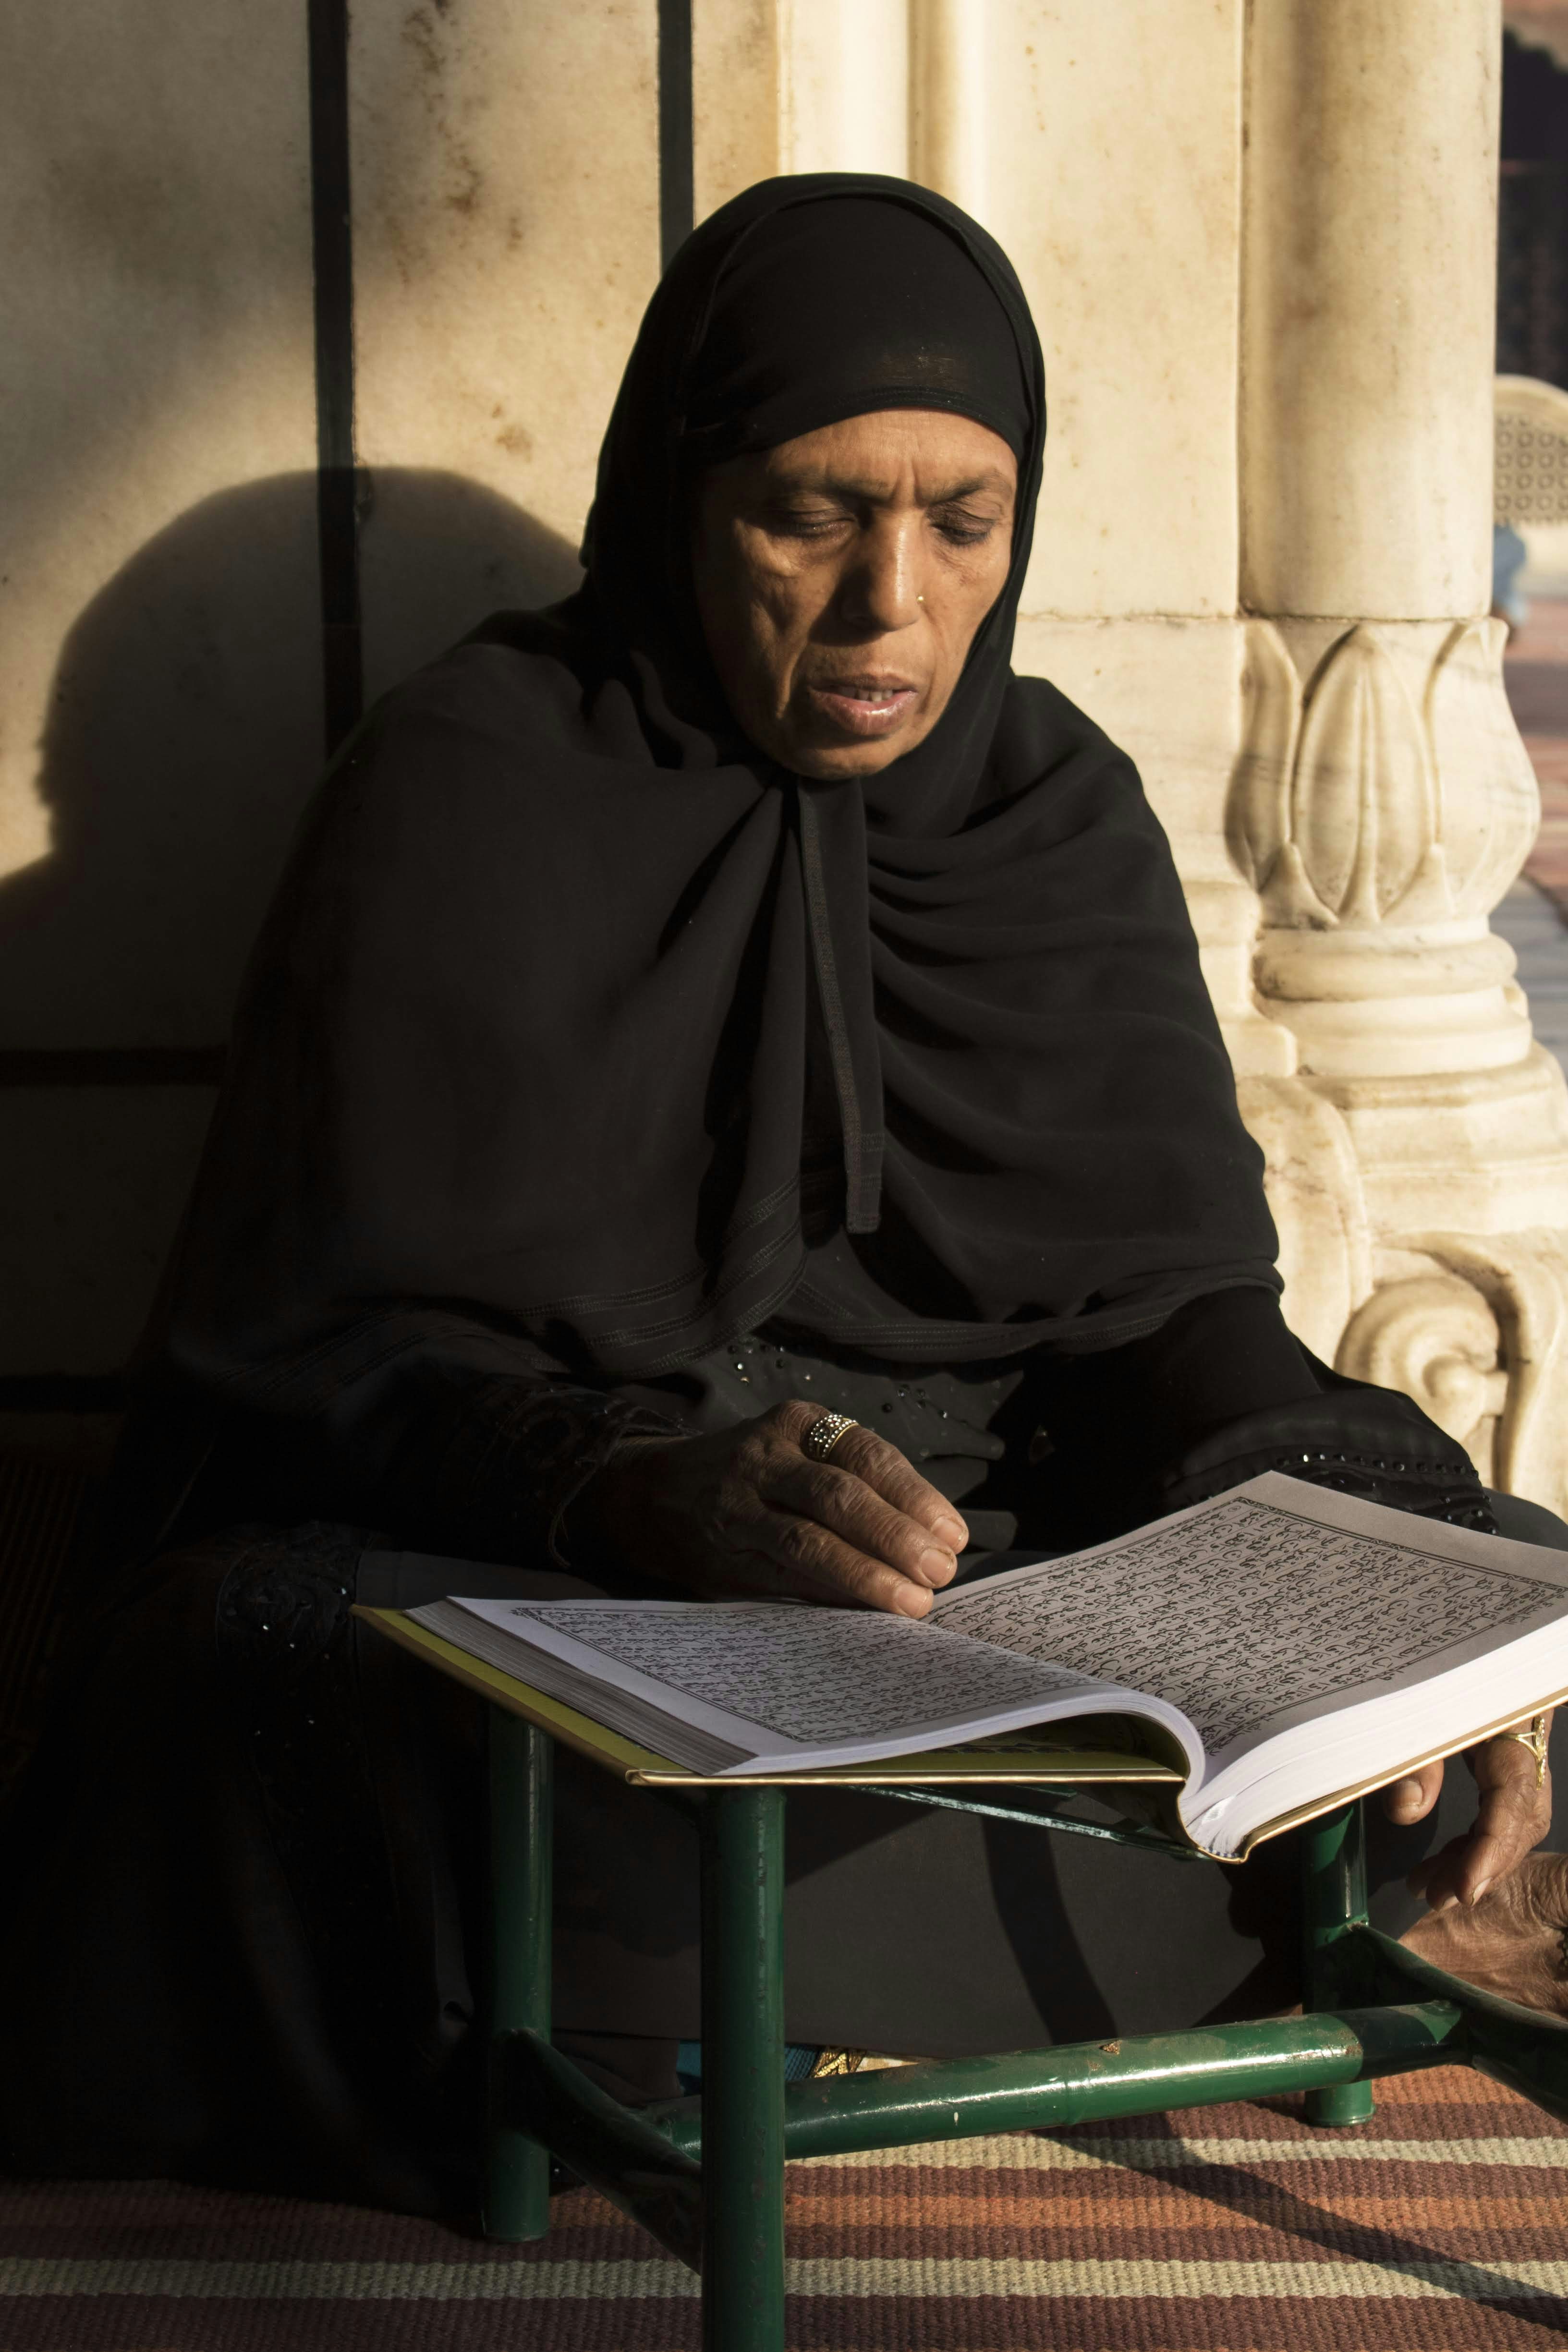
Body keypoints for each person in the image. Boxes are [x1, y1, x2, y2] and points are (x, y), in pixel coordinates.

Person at [1, 173, 1562, 2215]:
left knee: (1486, 1605)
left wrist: (1393, 1574)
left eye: (961, 521)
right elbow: (310, 1357)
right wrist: (634, 1487)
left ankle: (703, 2003)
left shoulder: (1053, 809)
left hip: (992, 1589)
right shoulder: (469, 781)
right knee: (252, 1669)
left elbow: (1172, 1318)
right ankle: (1138, 1963)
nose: (889, 603)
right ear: (677, 493)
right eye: (809, 511)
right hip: (557, 1582)